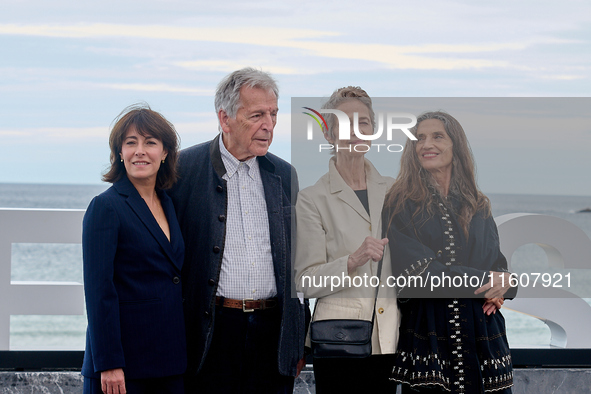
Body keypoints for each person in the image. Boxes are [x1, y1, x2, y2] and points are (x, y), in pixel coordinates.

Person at [168, 67, 308, 394]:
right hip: (211, 332)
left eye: (273, 114)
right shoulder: (181, 171)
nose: (269, 125)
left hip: (272, 335)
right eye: (256, 115)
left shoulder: (285, 175)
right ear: (225, 118)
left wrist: (297, 339)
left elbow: (299, 264)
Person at [382, 111, 516, 393]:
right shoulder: (400, 202)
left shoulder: (478, 204)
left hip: (484, 338)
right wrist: (486, 281)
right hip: (429, 336)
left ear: (456, 145)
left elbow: (499, 267)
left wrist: (506, 283)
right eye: (419, 138)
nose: (426, 144)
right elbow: (420, 274)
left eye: (437, 136)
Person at [294, 87, 400, 393]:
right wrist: (352, 261)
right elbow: (305, 281)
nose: (357, 130)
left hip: (389, 339)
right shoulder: (312, 199)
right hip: (339, 341)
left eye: (364, 122)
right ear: (329, 134)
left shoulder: (395, 191)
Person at [82, 104, 186, 394]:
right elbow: (98, 290)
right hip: (122, 369)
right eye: (131, 143)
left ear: (165, 153)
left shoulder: (169, 204)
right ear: (119, 153)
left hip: (169, 362)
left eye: (150, 142)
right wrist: (109, 363)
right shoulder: (105, 206)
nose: (140, 151)